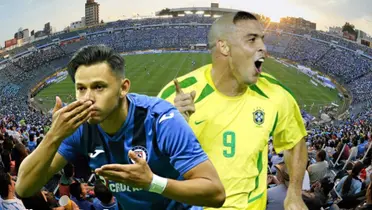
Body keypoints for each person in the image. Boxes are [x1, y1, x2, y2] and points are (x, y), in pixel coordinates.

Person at [16, 45, 225, 209]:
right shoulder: (78, 124)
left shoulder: (160, 118)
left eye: (99, 87)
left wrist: (152, 182)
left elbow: (216, 193)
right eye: (81, 88)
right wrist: (54, 135)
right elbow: (24, 187)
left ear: (123, 88)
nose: (88, 99)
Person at [158, 11, 308, 210]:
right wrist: (170, 130)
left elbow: (295, 143)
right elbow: (145, 159)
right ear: (224, 46)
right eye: (252, 39)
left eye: (262, 39)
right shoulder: (175, 96)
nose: (263, 47)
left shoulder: (276, 95)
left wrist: (294, 194)